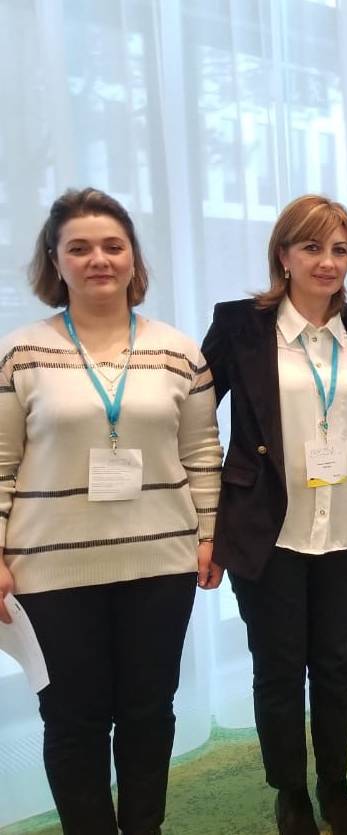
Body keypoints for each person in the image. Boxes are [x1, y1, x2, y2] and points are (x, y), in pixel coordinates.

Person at [0, 188, 222, 834]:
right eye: (79, 247)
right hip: (51, 570)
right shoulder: (21, 352)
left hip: (161, 562)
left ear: (132, 257)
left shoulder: (178, 351)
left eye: (112, 245)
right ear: (55, 261)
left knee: (150, 713)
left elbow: (203, 452)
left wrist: (209, 534)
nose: (98, 259)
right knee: (74, 720)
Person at [202, 195, 347, 835]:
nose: (327, 261)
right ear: (283, 254)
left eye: (340, 249)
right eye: (312, 247)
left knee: (337, 666)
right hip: (270, 531)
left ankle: (334, 783)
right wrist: (209, 523)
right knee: (278, 669)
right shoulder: (241, 325)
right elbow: (193, 420)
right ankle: (290, 790)